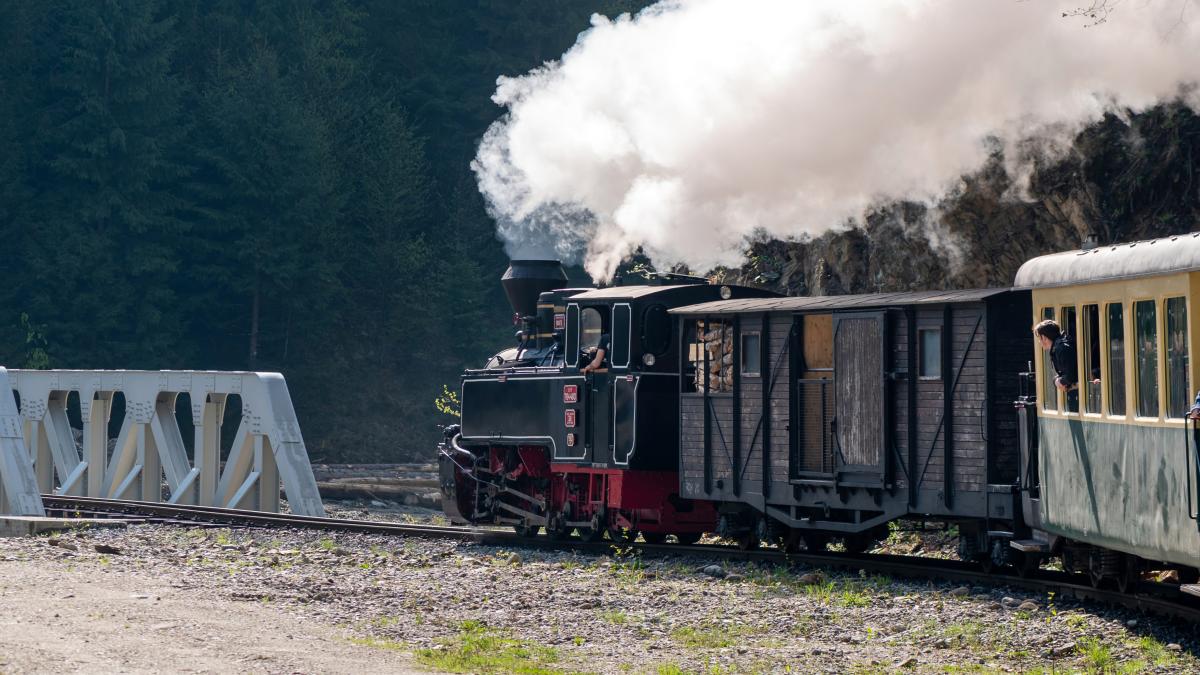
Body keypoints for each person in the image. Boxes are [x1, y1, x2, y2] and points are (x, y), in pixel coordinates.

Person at [1034, 319, 1078, 392]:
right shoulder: (1059, 347)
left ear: (1044, 337)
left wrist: (1060, 381)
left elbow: (1072, 375)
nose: (1039, 342)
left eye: (1039, 338)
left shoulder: (1062, 349)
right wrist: (1057, 380)